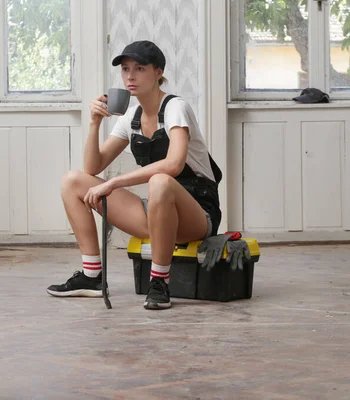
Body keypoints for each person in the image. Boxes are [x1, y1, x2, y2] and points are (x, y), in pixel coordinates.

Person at [46, 40, 222, 310]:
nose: (130, 75)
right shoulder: (131, 117)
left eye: (139, 68)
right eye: (126, 69)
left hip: (197, 214)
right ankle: (92, 276)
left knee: (161, 180)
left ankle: (160, 281)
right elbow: (93, 167)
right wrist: (93, 123)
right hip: (157, 212)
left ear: (158, 73)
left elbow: (174, 165)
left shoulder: (176, 107)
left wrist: (114, 183)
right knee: (73, 181)